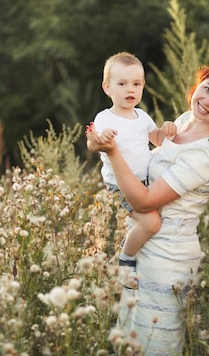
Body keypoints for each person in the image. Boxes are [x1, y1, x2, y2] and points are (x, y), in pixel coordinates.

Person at [86, 62, 209, 355]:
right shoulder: (185, 121)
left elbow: (144, 201)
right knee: (128, 342)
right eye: (206, 89)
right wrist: (99, 145)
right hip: (144, 247)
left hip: (167, 261)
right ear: (198, 85)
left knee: (153, 345)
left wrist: (112, 153)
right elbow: (138, 146)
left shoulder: (206, 153)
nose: (207, 102)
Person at [88, 52, 177, 285]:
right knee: (152, 223)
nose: (130, 89)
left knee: (168, 216)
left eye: (136, 84)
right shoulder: (105, 118)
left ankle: (153, 260)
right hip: (120, 186)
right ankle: (125, 259)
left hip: (145, 181)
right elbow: (93, 143)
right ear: (107, 88)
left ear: (143, 86)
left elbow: (158, 140)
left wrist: (167, 129)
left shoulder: (142, 116)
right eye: (122, 84)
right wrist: (100, 139)